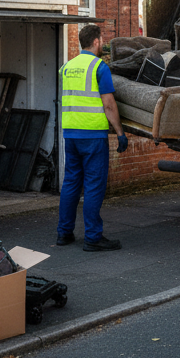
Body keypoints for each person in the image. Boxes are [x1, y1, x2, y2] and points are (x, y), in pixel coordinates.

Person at [57, 24, 128, 251]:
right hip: (93, 136)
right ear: (96, 41)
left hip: (71, 134)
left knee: (71, 184)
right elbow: (108, 104)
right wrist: (120, 132)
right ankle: (93, 238)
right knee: (94, 185)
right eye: (101, 40)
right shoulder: (99, 67)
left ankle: (64, 233)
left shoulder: (67, 67)